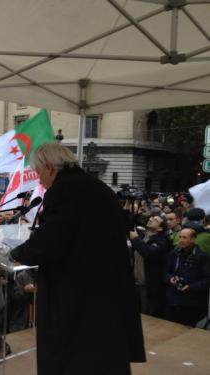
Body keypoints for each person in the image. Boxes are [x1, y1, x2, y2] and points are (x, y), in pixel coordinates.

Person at [9, 143, 145, 375]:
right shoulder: (99, 187)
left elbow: (50, 241)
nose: (39, 181)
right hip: (107, 288)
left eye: (39, 173)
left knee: (76, 357)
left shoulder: (63, 191)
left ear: (50, 168)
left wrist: (15, 253)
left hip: (77, 294)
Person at [164, 228, 210, 326]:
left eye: (184, 237)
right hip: (173, 300)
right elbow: (165, 272)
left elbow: (207, 280)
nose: (181, 240)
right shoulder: (174, 253)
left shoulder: (202, 257)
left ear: (193, 239)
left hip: (191, 303)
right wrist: (170, 279)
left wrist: (191, 287)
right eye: (180, 237)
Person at [129, 215, 171, 318]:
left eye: (155, 220)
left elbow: (148, 253)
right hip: (136, 282)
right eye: (151, 218)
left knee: (147, 315)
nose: (151, 219)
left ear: (160, 228)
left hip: (149, 285)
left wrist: (135, 239)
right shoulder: (143, 236)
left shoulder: (162, 241)